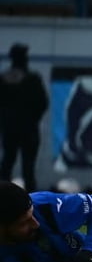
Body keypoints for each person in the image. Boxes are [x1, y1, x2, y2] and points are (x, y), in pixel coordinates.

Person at [0, 44, 49, 191]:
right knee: (28, 167)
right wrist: (32, 118)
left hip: (9, 128)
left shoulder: (3, 80)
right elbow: (43, 103)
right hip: (29, 129)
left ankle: (3, 196)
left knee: (7, 163)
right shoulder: (32, 79)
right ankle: (30, 198)